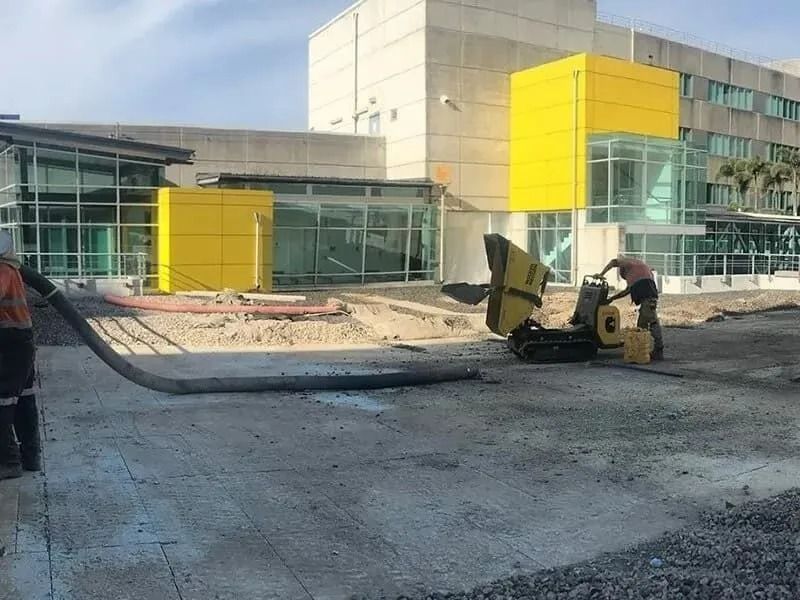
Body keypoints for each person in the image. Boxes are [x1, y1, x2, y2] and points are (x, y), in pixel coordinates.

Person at [0, 231, 39, 479]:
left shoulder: (2, 269)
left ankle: (8, 462)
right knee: (24, 400)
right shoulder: (11, 267)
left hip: (9, 343)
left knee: (2, 402)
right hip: (20, 341)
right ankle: (31, 457)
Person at [596, 256, 664, 361]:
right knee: (650, 321)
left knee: (643, 326)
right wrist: (612, 299)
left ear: (624, 270)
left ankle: (641, 353)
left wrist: (601, 274)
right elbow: (627, 291)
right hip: (650, 297)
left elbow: (613, 262)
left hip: (648, 298)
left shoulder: (628, 263)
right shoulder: (639, 267)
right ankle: (648, 350)